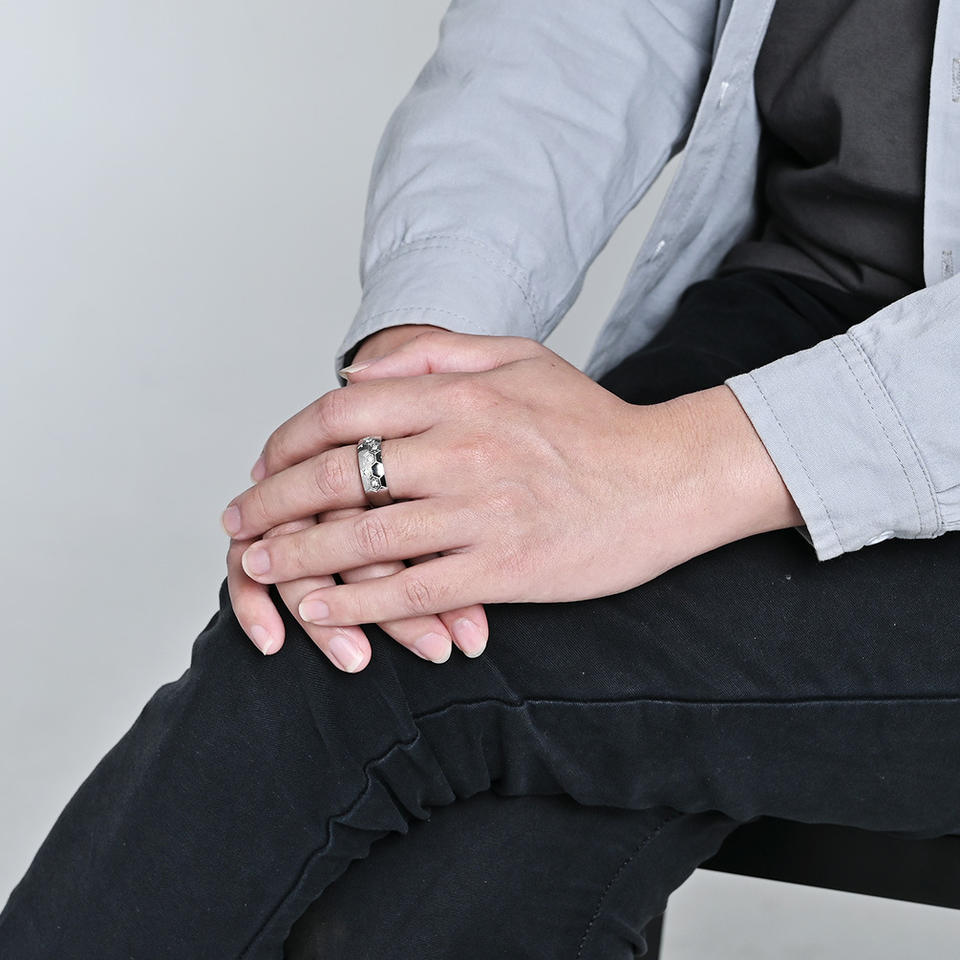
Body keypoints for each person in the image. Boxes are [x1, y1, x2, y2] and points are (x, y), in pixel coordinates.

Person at [3, 0, 960, 956]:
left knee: (382, 662)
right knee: (367, 626)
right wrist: (425, 370)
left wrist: (677, 469)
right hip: (804, 292)